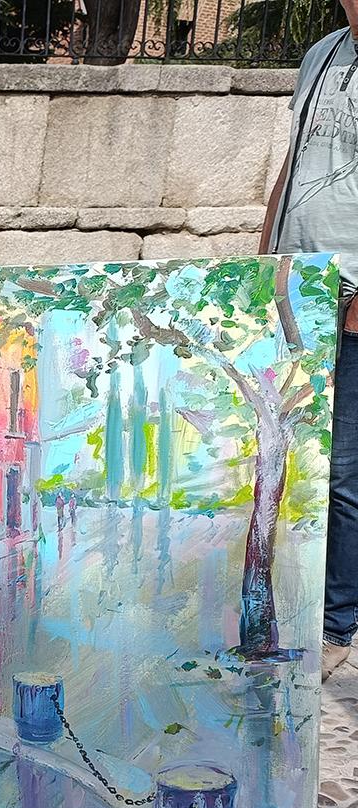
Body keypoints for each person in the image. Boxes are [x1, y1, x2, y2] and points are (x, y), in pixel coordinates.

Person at [262, 3, 358, 679]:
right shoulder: (322, 53)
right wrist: (262, 261)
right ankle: (293, 606)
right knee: (290, 457)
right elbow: (293, 166)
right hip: (297, 286)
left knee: (344, 472)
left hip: (352, 294)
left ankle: (335, 624)